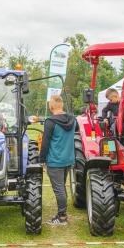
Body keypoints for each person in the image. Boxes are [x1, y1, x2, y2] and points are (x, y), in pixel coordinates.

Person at [40, 94, 77, 226]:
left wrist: (42, 159)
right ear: (61, 105)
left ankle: (62, 218)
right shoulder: (73, 119)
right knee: (62, 187)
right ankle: (61, 214)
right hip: (68, 159)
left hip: (55, 161)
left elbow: (45, 143)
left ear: (51, 107)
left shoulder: (50, 122)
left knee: (59, 189)